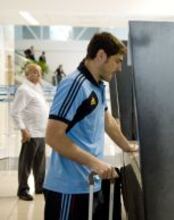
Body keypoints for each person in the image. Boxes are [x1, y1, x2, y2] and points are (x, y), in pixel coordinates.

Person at [43, 32, 138, 219]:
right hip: (68, 187)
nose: (119, 68)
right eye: (117, 61)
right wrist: (95, 163)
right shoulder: (75, 84)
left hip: (88, 182)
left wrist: (128, 146)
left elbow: (107, 121)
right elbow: (53, 136)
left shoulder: (97, 86)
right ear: (101, 55)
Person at [11, 63, 48, 201]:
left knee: (40, 163)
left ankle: (40, 187)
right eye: (34, 72)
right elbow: (15, 112)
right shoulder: (24, 90)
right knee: (25, 164)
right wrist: (24, 130)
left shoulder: (38, 88)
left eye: (39, 72)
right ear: (27, 74)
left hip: (41, 132)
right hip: (31, 133)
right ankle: (22, 190)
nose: (38, 75)